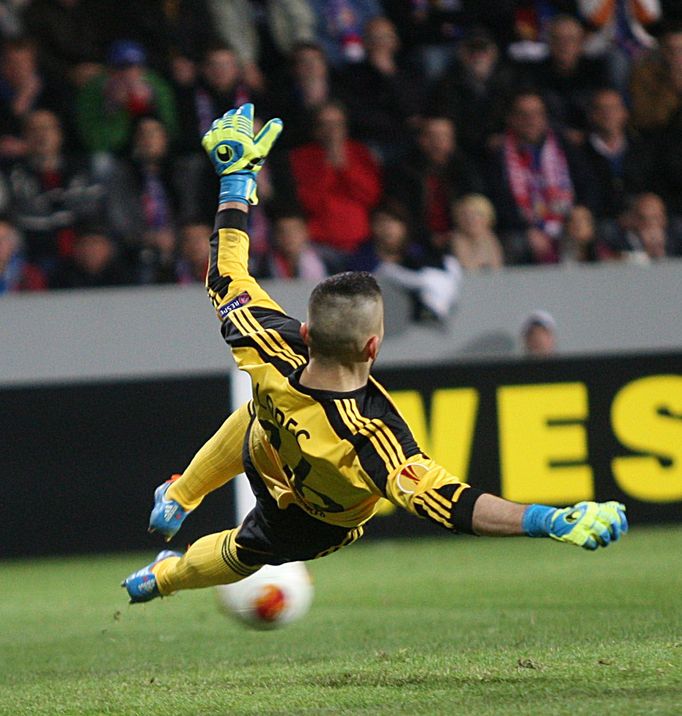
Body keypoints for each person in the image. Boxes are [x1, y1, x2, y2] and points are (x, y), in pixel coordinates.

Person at [122, 104, 627, 605]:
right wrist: (549, 520)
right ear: (373, 346)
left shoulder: (267, 340)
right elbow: (455, 505)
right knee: (247, 548)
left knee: (260, 436)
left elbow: (225, 271)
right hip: (315, 512)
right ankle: (172, 549)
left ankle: (175, 524)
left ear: (305, 330)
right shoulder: (374, 437)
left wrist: (235, 182)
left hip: (283, 465)